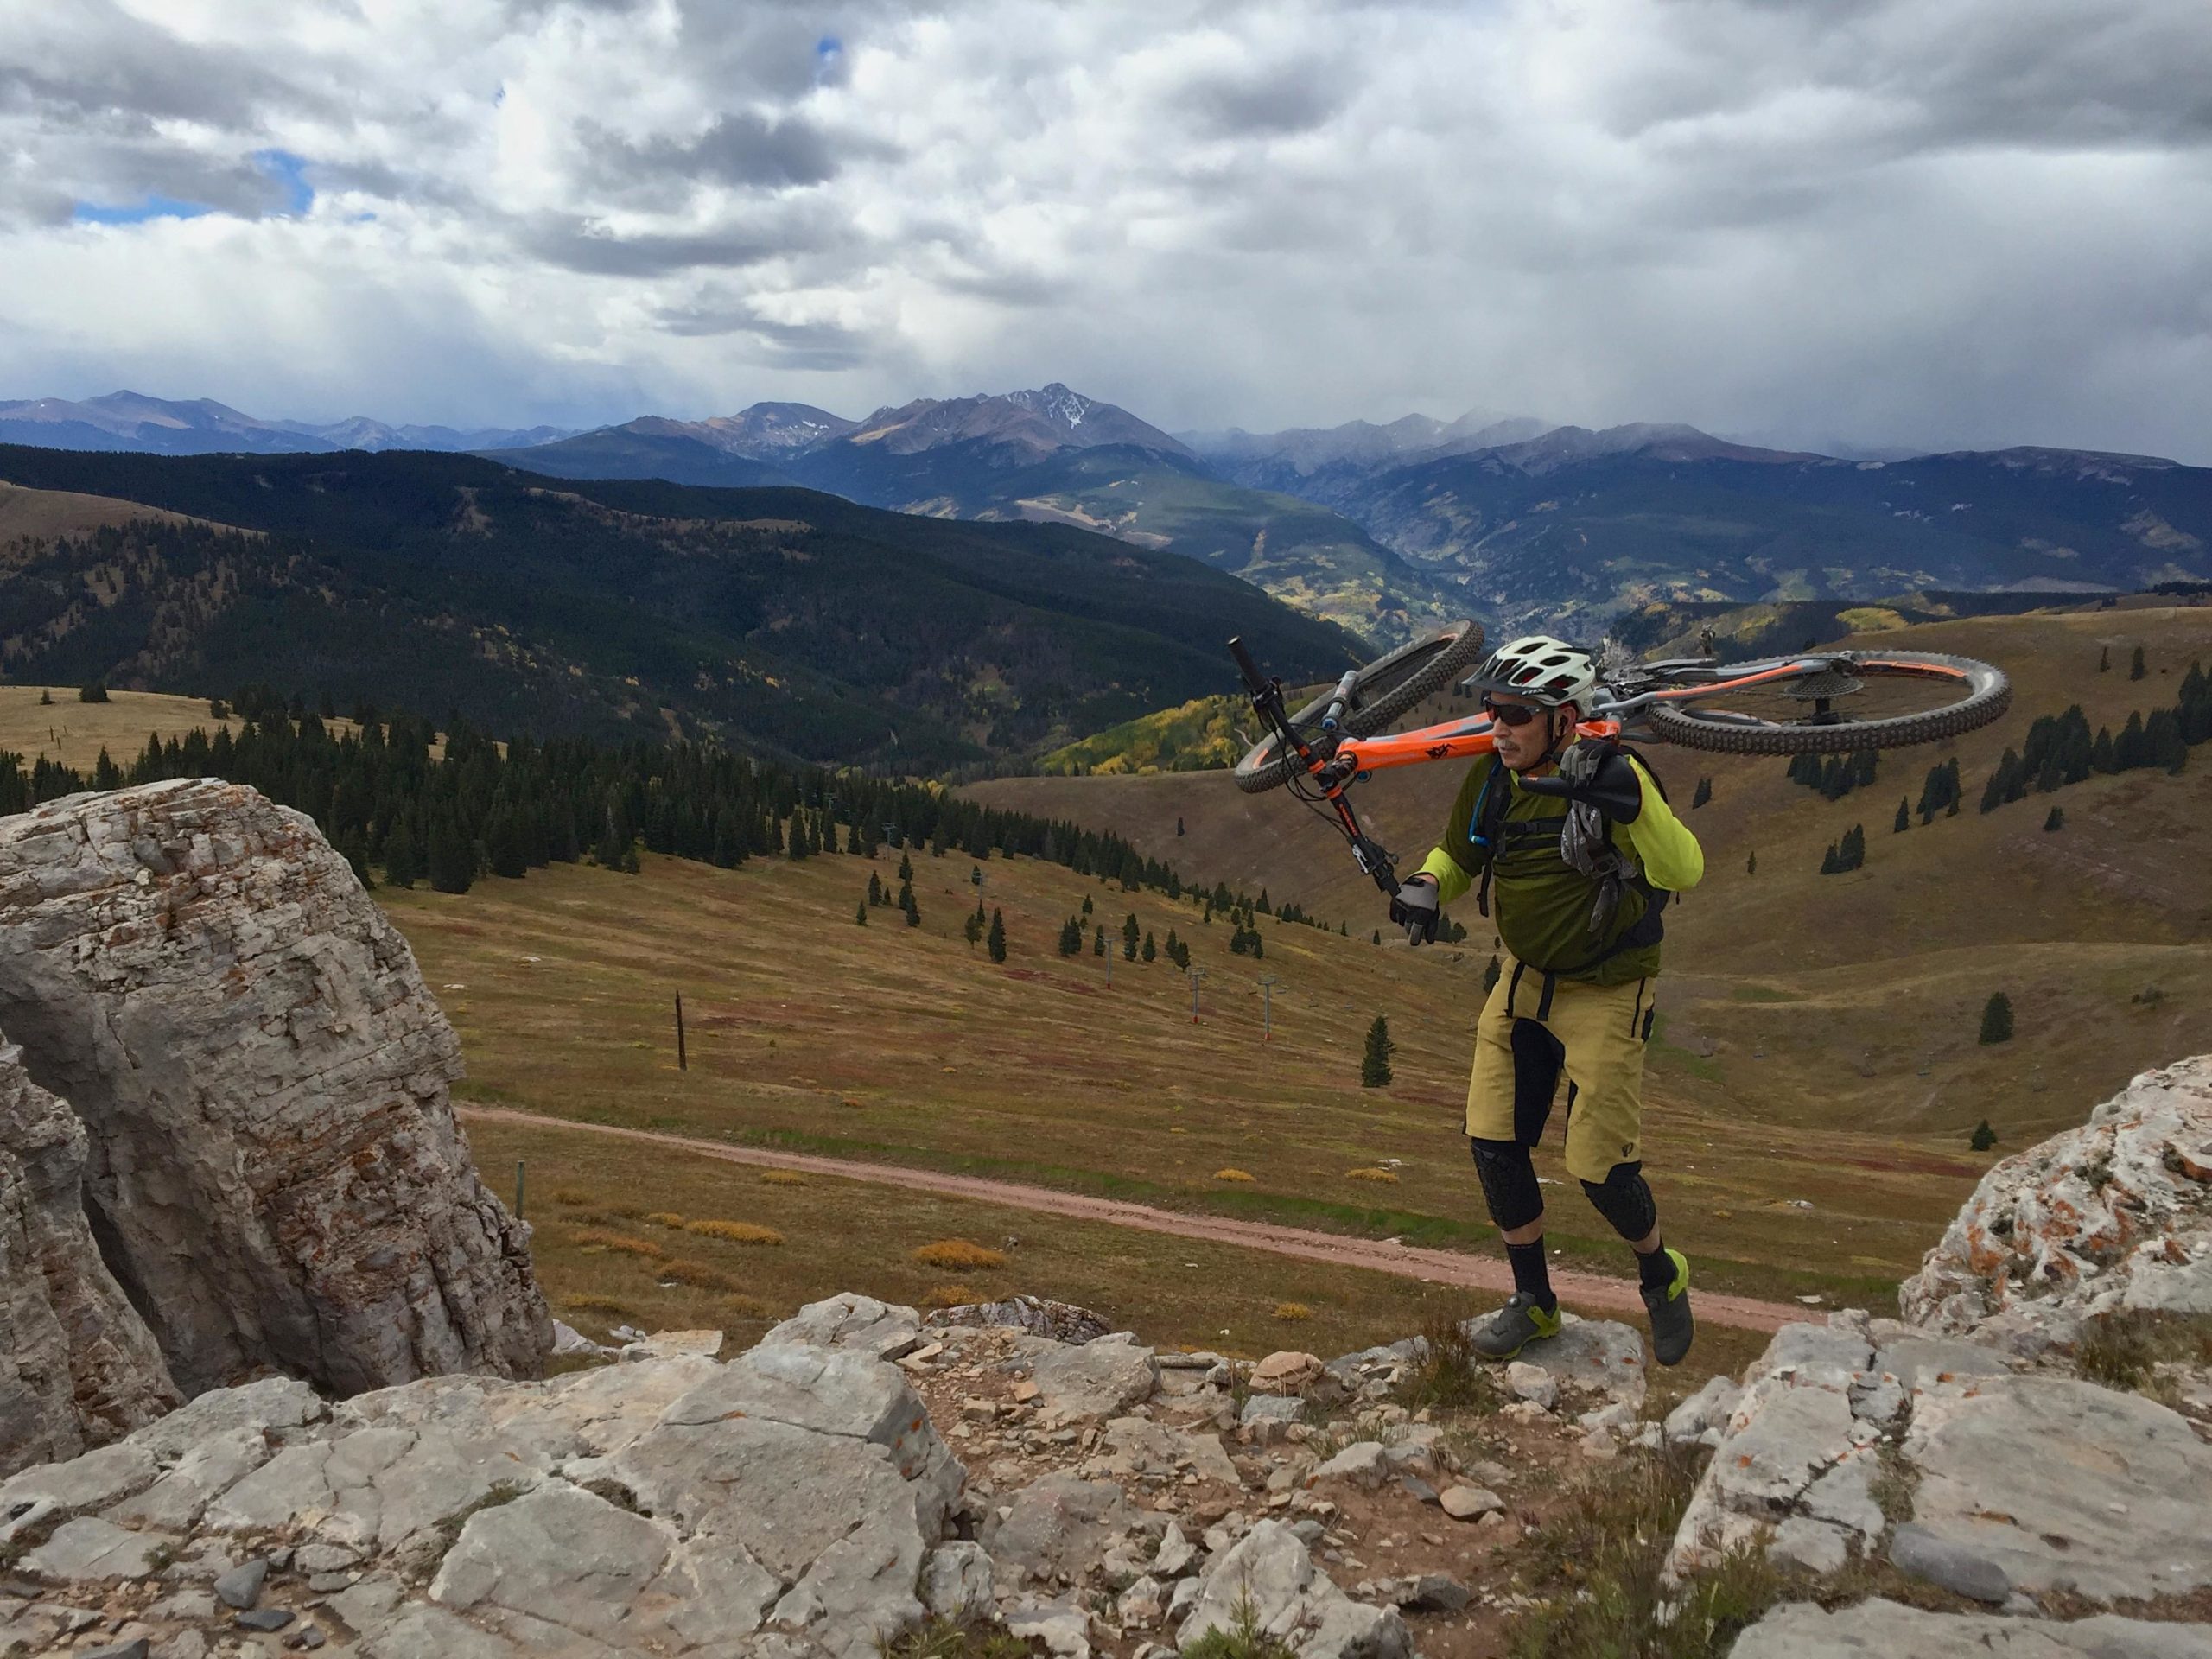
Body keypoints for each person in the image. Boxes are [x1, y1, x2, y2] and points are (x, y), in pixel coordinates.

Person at [1388, 635, 1704, 1365]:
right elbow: (1461, 852)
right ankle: (1535, 1303)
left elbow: (1684, 867)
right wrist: (1429, 885)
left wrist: (1633, 803)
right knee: (1494, 1140)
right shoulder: (1494, 777)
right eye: (1492, 709)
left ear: (1564, 718)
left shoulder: (1615, 775)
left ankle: (1660, 1272)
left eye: (1517, 714)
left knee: (1599, 1166)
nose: (1497, 726)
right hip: (1523, 978)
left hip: (1609, 987)